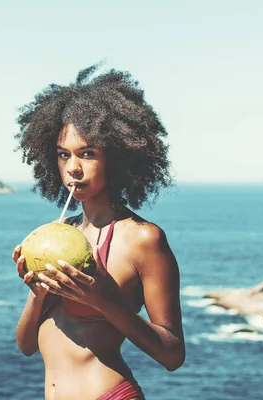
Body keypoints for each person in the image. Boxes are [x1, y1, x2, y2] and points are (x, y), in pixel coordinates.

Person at [12, 64, 185, 400]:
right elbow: (27, 345)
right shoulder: (61, 234)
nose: (72, 168)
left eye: (87, 154)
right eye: (64, 155)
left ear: (117, 158)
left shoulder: (142, 239)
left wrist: (104, 300)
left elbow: (173, 355)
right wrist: (38, 292)